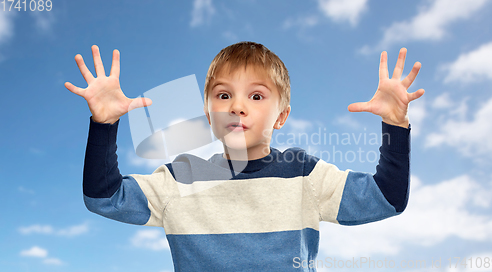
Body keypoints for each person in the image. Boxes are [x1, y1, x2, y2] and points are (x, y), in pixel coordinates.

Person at [65, 41, 424, 271]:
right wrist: (105, 123)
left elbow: (386, 198)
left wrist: (395, 124)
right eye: (223, 96)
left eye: (256, 96)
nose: (237, 106)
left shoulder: (304, 175)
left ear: (281, 116)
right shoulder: (180, 179)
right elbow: (104, 197)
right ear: (208, 114)